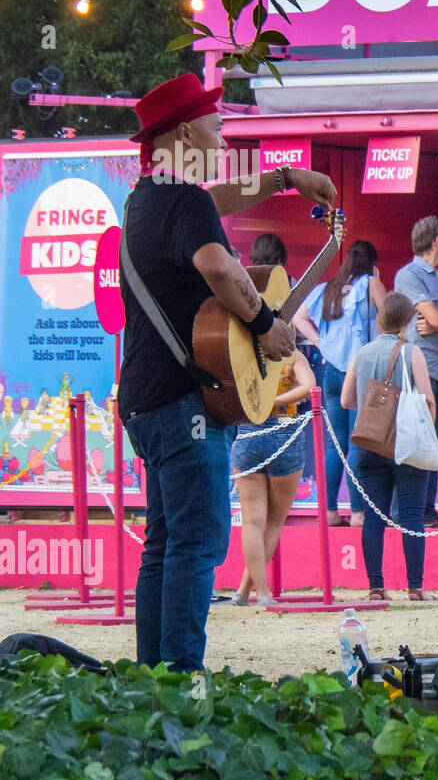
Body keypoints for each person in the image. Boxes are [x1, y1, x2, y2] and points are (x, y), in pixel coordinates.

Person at [118, 72, 335, 671]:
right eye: (215, 122)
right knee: (198, 543)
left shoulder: (151, 198)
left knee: (164, 546)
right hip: (184, 402)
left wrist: (287, 179)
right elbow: (218, 266)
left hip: (147, 399)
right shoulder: (179, 202)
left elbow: (219, 200)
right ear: (186, 131)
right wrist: (266, 324)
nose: (223, 130)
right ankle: (182, 682)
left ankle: (152, 681)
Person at [340, 292, 438, 601]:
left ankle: (375, 586)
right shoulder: (412, 353)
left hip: (370, 440)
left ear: (381, 319)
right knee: (410, 513)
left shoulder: (362, 353)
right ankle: (415, 587)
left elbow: (346, 401)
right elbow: (428, 401)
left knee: (373, 516)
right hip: (406, 442)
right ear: (408, 322)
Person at [293, 241, 385, 527]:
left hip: (331, 371)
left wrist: (322, 342)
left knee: (334, 446)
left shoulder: (327, 288)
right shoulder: (370, 283)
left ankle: (330, 512)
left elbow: (298, 317)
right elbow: (392, 316)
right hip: (359, 372)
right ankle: (358, 513)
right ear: (372, 264)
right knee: (357, 443)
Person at [229, 348, 316, 607]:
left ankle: (247, 591)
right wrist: (277, 400)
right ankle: (261, 593)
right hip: (284, 430)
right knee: (274, 522)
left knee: (252, 522)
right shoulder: (292, 356)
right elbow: (309, 387)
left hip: (247, 431)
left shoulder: (242, 353)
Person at [394, 216, 438, 528]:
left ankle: (426, 511)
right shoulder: (408, 275)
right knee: (416, 440)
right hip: (420, 370)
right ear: (436, 241)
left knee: (432, 443)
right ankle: (405, 511)